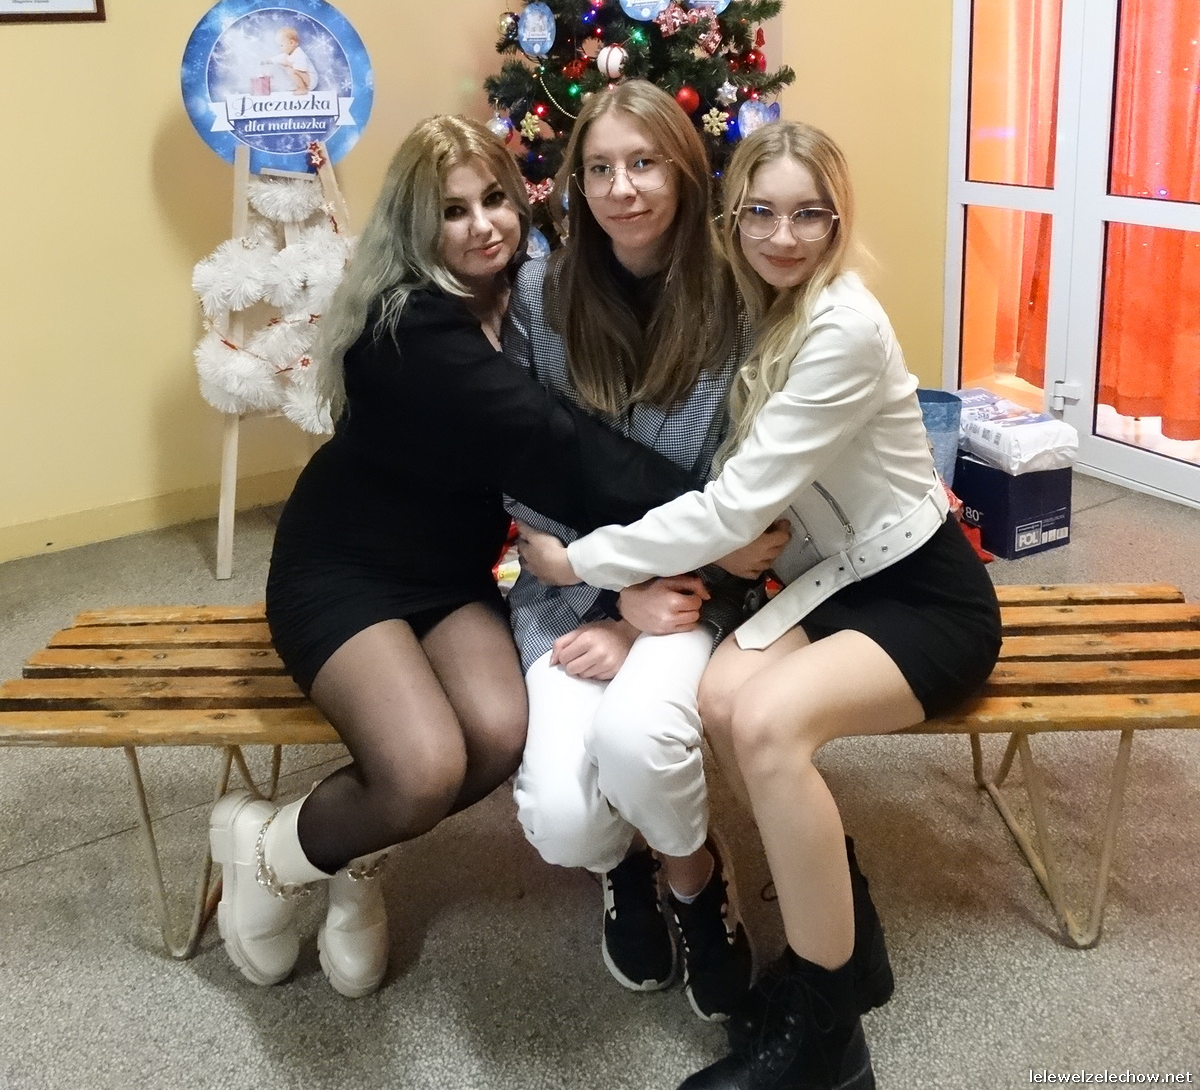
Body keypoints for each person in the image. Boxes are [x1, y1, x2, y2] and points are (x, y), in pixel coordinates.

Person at [519, 120, 1003, 1090]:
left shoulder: (841, 326)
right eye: (762, 214)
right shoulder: (763, 306)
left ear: (838, 219)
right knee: (721, 696)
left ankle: (828, 1041)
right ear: (733, 217)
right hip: (834, 581)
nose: (784, 237)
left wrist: (582, 561)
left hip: (920, 594)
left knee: (769, 727)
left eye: (808, 215)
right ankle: (852, 940)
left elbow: (734, 507)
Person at [209, 115, 694, 999]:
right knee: (423, 767)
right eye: (453, 210)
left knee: (500, 734)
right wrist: (711, 509)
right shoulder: (409, 324)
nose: (483, 226)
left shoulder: (525, 293)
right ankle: (271, 852)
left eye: (495, 198)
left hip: (446, 573)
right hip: (344, 568)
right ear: (415, 224)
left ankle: (356, 854)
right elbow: (553, 443)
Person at [506, 81, 788, 1023]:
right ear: (576, 183)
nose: (621, 188)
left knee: (638, 740)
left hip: (693, 590)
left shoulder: (739, 298)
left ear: (685, 169)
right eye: (599, 168)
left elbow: (745, 495)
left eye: (643, 163)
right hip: (567, 589)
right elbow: (519, 465)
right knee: (561, 819)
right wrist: (604, 588)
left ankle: (694, 875)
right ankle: (621, 862)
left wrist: (642, 611)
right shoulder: (540, 294)